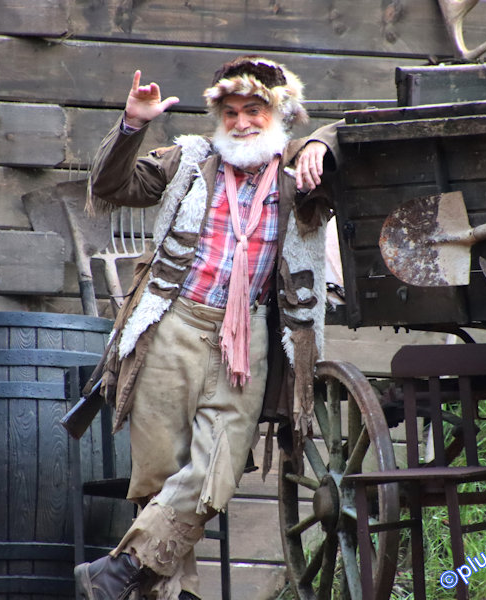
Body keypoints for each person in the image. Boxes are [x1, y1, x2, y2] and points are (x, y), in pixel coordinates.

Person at [75, 55, 342, 600]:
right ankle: (177, 593)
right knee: (158, 476)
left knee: (216, 471)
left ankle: (119, 571)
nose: (241, 123)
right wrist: (132, 125)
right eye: (232, 112)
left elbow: (355, 136)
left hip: (246, 342)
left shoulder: (302, 171)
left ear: (282, 113)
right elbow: (111, 185)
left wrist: (322, 142)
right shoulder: (191, 159)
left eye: (254, 111)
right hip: (173, 326)